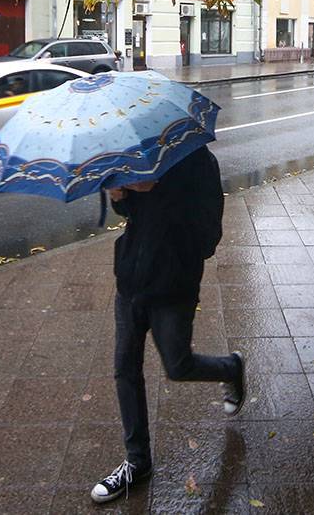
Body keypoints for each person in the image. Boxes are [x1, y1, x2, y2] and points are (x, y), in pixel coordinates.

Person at [92, 145, 245, 503]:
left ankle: (232, 367)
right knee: (124, 370)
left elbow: (207, 238)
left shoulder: (199, 161)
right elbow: (133, 214)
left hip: (173, 285)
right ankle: (137, 461)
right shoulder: (134, 154)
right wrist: (121, 197)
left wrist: (161, 190)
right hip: (131, 278)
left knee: (178, 366)